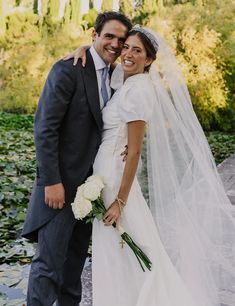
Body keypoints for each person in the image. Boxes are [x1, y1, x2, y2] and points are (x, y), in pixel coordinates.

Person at [65, 26, 235, 306]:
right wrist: (85, 48)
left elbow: (133, 153)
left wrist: (120, 200)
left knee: (125, 246)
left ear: (150, 59)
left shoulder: (139, 91)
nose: (129, 54)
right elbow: (102, 63)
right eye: (127, 47)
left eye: (137, 50)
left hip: (115, 183)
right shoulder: (126, 83)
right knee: (122, 249)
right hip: (106, 178)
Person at [21, 11, 132, 306]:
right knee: (48, 268)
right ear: (93, 35)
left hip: (92, 190)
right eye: (109, 35)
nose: (115, 43)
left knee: (73, 270)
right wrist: (52, 181)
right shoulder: (68, 69)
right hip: (60, 187)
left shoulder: (117, 77)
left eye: (121, 40)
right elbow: (45, 129)